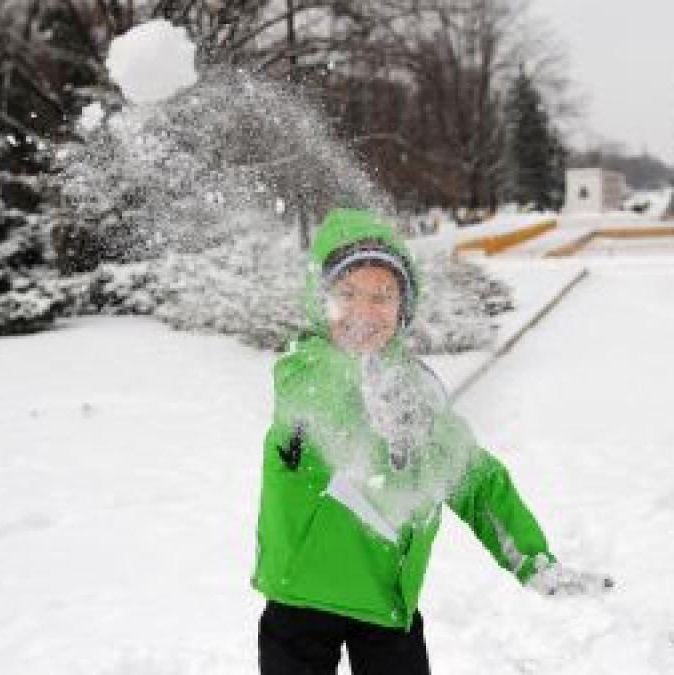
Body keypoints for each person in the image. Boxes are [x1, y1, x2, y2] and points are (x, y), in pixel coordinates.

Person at [252, 208, 611, 674]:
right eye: (347, 294)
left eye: (382, 296)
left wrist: (532, 560)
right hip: (301, 599)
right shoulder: (303, 367)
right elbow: (326, 399)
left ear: (403, 308)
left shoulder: (414, 387)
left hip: (387, 601)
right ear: (320, 302)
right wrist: (377, 394)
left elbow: (474, 478)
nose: (364, 310)